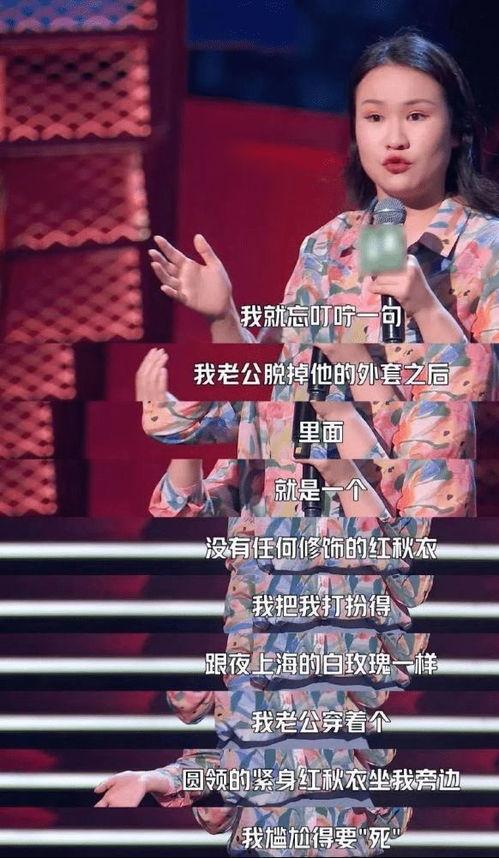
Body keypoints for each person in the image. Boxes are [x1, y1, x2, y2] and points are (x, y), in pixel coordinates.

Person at [148, 29, 499, 345]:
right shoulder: (329, 245)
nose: (395, 139)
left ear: (456, 130)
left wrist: (426, 310)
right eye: (375, 117)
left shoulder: (488, 247)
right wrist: (223, 316)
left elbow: (487, 389)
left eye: (416, 116)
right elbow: (277, 382)